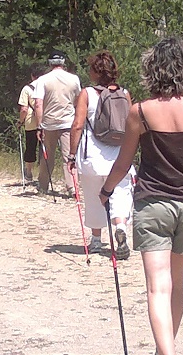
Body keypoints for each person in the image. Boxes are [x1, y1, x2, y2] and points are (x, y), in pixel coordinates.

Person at [100, 37, 183, 355]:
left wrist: (106, 191)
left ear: (151, 69)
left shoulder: (140, 112)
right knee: (176, 281)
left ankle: (166, 352)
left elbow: (123, 162)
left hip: (152, 204)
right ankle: (165, 349)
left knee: (158, 286)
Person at [67, 50, 134, 259]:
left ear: (96, 72)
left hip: (92, 157)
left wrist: (71, 154)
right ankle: (120, 227)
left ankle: (96, 240)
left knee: (94, 197)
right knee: (120, 194)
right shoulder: (124, 93)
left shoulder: (87, 93)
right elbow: (132, 126)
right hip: (119, 157)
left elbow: (78, 125)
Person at [33, 50, 81, 195]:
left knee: (47, 155)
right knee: (69, 155)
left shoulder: (43, 80)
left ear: (50, 63)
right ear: (63, 62)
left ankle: (43, 185)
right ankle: (72, 187)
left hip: (49, 123)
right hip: (68, 121)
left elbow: (38, 104)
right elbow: (78, 100)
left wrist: (39, 125)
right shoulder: (74, 79)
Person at [17, 65, 45, 183]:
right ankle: (44, 174)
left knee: (30, 147)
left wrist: (20, 121)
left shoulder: (27, 89)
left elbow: (24, 109)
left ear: (32, 76)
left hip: (31, 122)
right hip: (46, 121)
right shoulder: (46, 86)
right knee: (44, 148)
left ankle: (28, 172)